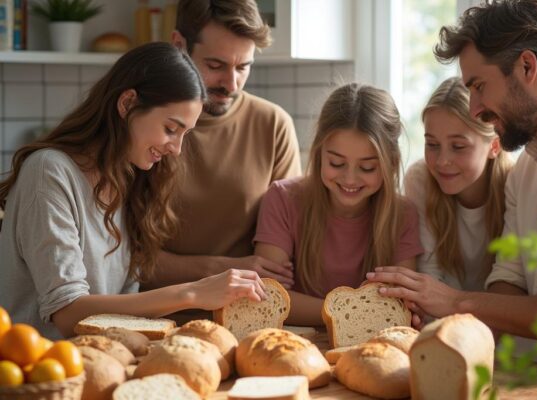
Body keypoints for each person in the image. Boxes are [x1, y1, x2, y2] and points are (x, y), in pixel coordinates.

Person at [0, 43, 267, 339]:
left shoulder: (127, 179)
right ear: (127, 104)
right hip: (38, 371)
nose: (176, 149)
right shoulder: (48, 171)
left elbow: (121, 308)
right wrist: (192, 293)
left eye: (184, 134)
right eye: (170, 128)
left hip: (100, 360)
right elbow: (67, 312)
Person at [368, 0, 537, 340]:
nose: (475, 109)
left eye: (479, 87)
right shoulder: (526, 171)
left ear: (526, 67)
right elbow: (509, 280)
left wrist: (457, 301)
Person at [146, 0, 302, 291]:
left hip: (243, 314)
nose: (231, 84)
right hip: (150, 314)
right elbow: (125, 259)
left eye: (243, 67)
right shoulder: (144, 123)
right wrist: (221, 269)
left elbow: (283, 260)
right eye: (215, 65)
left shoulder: (273, 125)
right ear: (179, 44)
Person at [253, 83, 424, 326]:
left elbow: (398, 304)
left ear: (391, 163)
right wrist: (354, 314)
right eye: (336, 163)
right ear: (319, 153)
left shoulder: (403, 214)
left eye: (367, 167)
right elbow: (269, 297)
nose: (350, 179)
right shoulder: (282, 198)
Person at [404, 77, 512, 292]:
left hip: (498, 319)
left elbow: (512, 278)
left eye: (458, 146)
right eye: (432, 144)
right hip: (441, 318)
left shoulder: (515, 183)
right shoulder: (421, 179)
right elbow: (429, 276)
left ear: (494, 145)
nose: (442, 160)